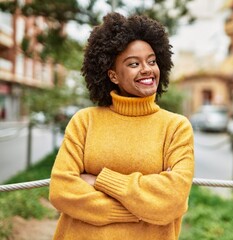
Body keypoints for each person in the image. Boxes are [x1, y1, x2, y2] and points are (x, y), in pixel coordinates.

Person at [49, 12, 194, 240]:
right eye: (134, 64)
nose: (146, 69)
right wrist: (142, 208)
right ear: (113, 75)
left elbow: (172, 199)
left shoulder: (176, 127)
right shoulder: (85, 121)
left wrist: (99, 180)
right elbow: (61, 191)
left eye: (152, 61)